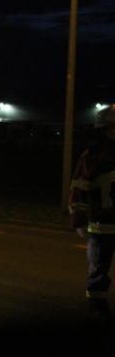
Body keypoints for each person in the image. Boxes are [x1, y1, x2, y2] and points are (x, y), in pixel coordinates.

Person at [69, 103, 115, 317]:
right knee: (98, 272)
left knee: (98, 270)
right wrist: (78, 219)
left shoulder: (93, 155)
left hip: (102, 227)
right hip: (101, 227)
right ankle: (98, 310)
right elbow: (79, 188)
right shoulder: (92, 156)